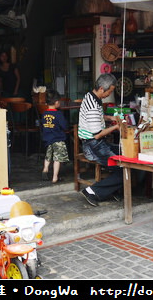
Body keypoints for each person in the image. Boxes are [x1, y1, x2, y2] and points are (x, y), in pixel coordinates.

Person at [78, 73, 123, 207]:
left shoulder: (92, 96)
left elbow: (98, 117)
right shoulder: (92, 105)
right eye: (110, 91)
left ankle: (112, 189)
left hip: (97, 143)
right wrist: (116, 126)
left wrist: (109, 118)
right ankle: (92, 191)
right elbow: (97, 135)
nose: (110, 94)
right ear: (102, 89)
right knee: (123, 167)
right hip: (92, 146)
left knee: (124, 153)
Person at [40, 89, 70, 184]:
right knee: (57, 158)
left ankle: (45, 169)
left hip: (48, 139)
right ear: (57, 102)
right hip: (58, 139)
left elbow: (42, 126)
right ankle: (55, 177)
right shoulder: (58, 114)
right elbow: (64, 126)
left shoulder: (44, 114)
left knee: (48, 156)